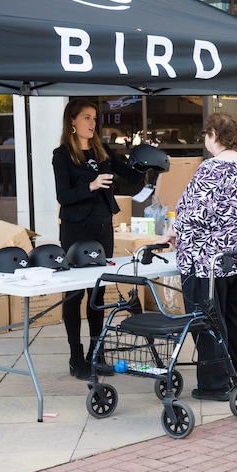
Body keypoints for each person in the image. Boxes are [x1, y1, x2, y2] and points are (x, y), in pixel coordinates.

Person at [157, 111, 237, 401]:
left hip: (209, 261)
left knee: (207, 321)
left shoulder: (210, 170)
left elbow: (193, 212)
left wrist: (172, 232)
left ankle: (216, 383)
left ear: (213, 136)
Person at [53, 98, 146, 380]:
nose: (92, 123)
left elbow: (130, 176)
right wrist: (91, 185)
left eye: (94, 118)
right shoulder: (62, 155)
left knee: (97, 292)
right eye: (86, 118)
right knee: (74, 293)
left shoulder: (103, 151)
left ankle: (97, 351)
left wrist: (146, 163)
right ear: (72, 121)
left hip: (102, 227)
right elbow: (63, 196)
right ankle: (75, 355)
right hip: (75, 230)